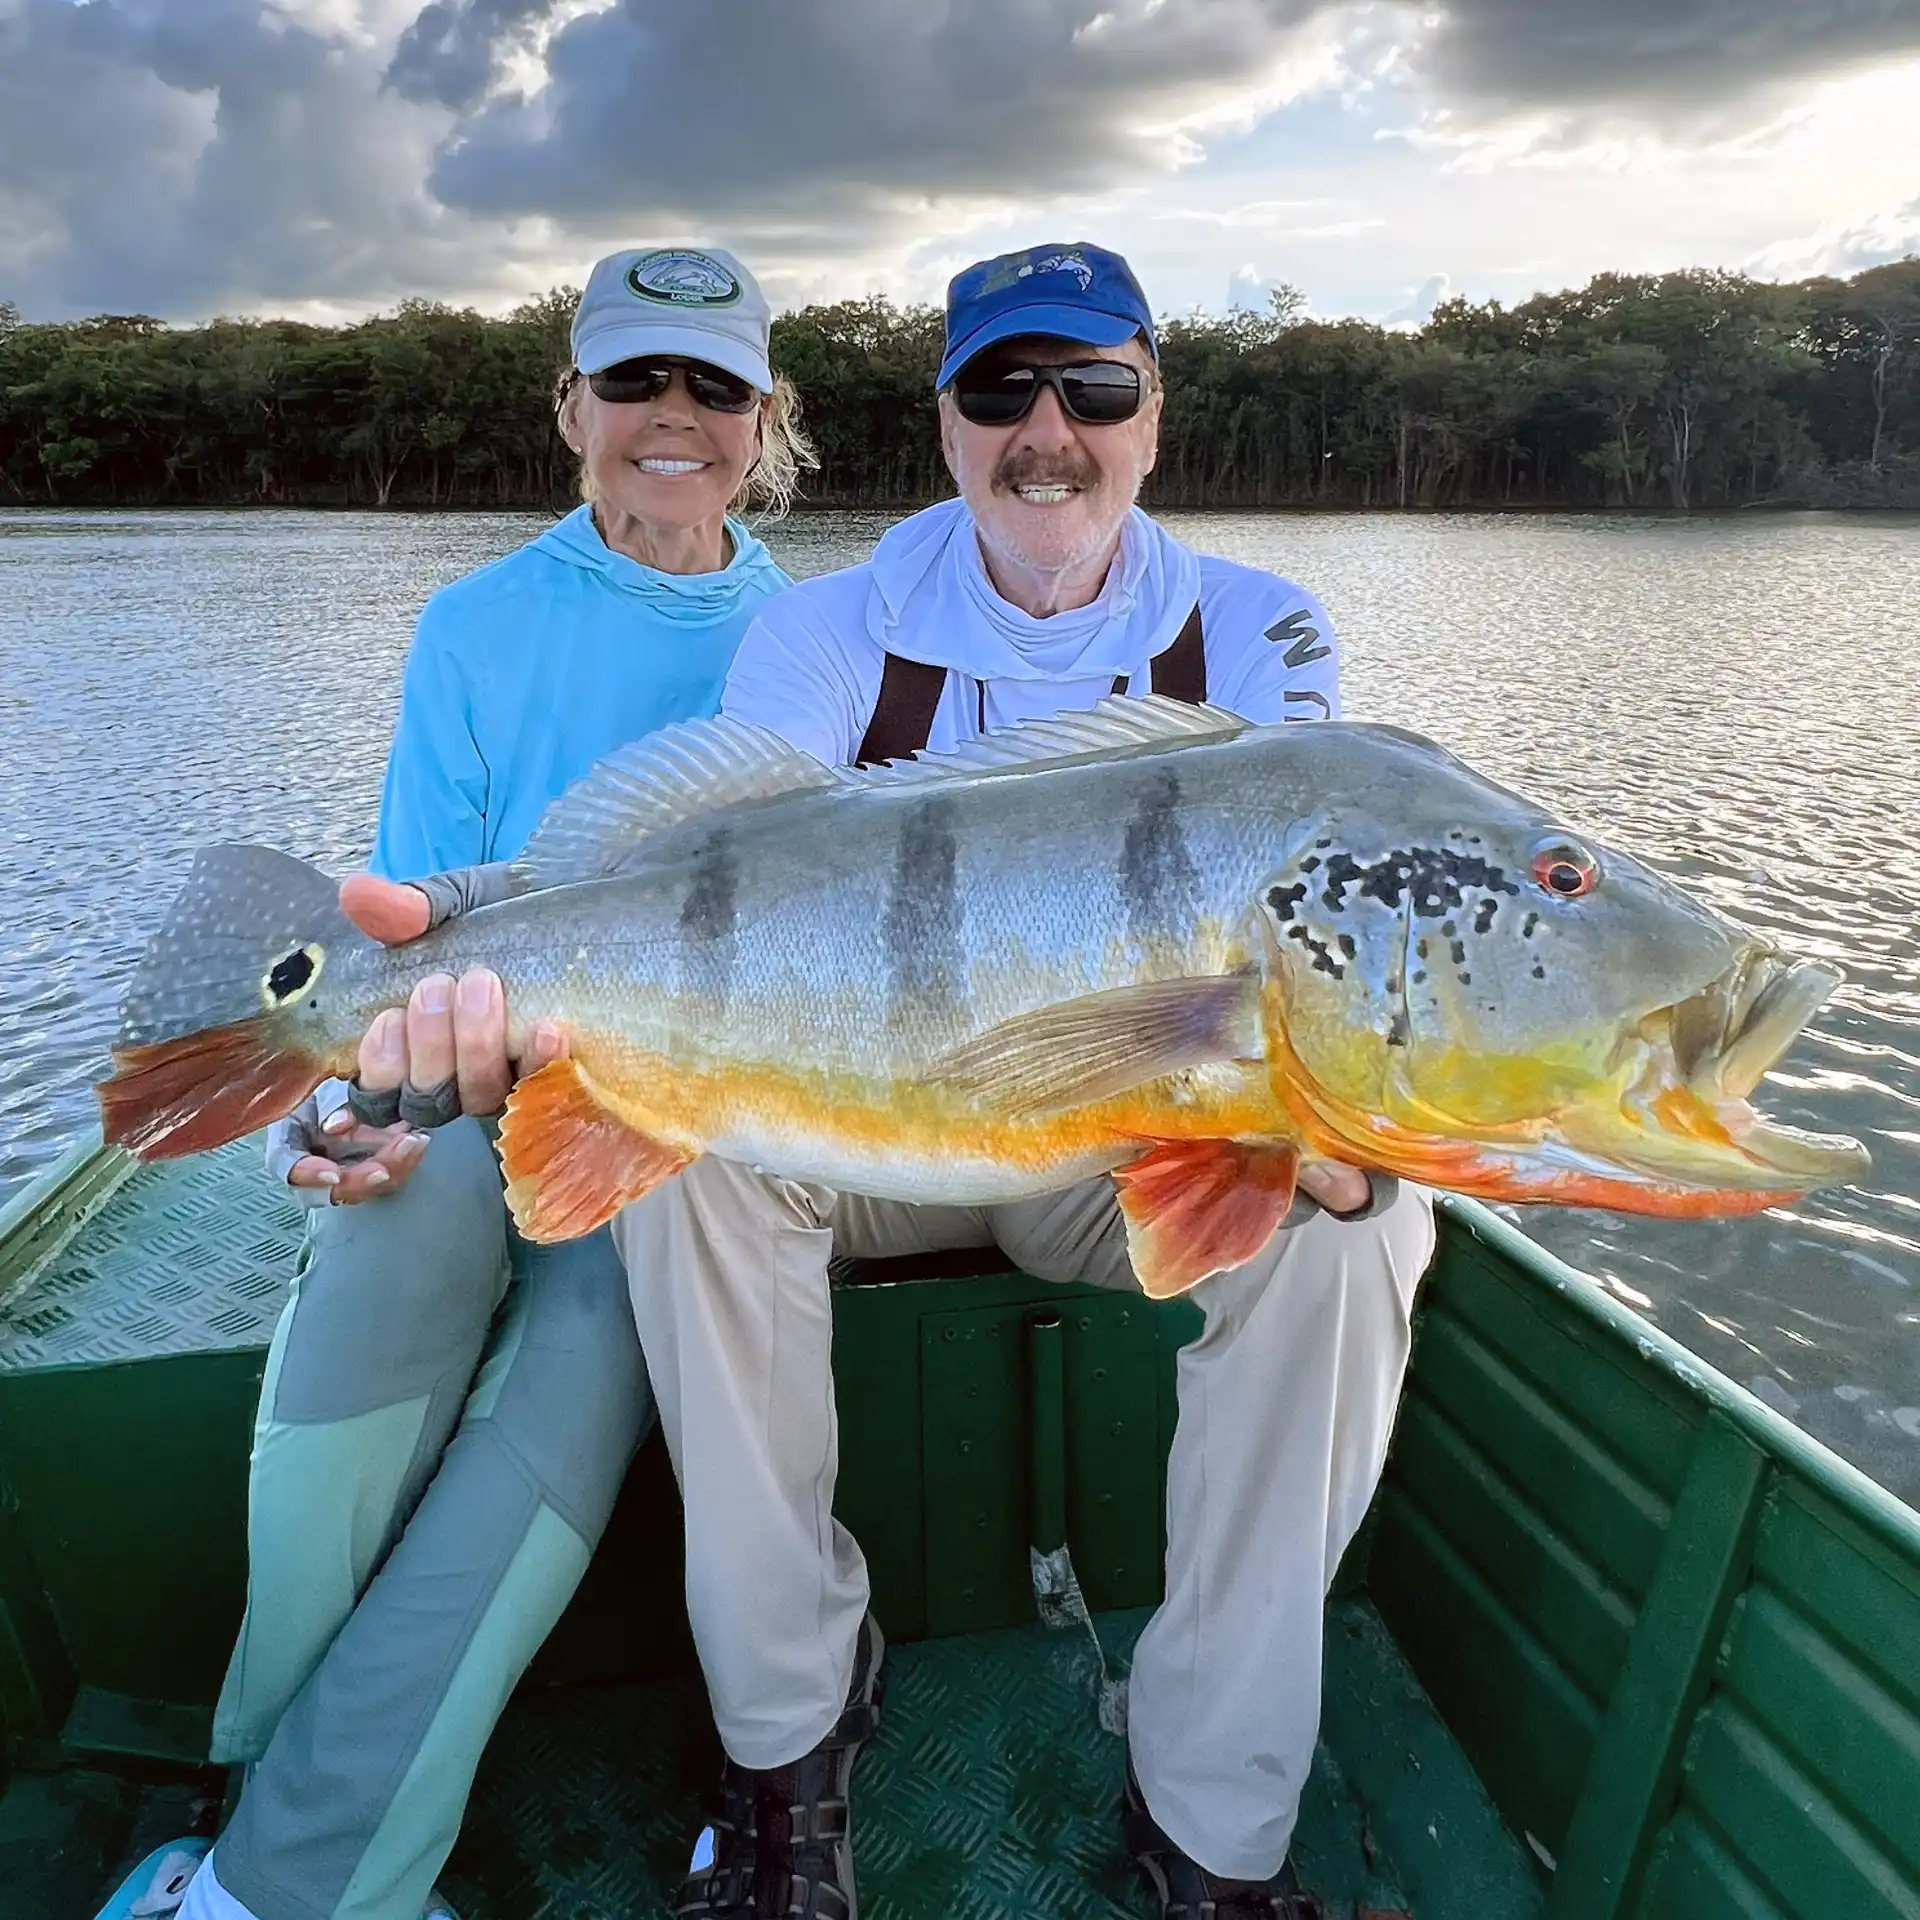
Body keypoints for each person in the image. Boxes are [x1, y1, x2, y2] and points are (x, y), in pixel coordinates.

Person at [350, 242, 1437, 1920]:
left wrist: (1344, 1129)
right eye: (1001, 392)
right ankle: (786, 1737)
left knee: (1360, 1236)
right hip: (867, 1131)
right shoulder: (823, 629)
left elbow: (1294, 934)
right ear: (946, 423)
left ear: (1153, 416)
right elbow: (726, 875)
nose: (1048, 435)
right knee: (690, 1161)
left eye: (1094, 389)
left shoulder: (1264, 630)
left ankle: (1215, 1812)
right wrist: (460, 970)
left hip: (1124, 1141)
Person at [98, 245, 808, 1920]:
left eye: (714, 385)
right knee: (388, 1238)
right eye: (634, 378)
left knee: (584, 1343)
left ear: (764, 419)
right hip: (472, 1077)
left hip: (679, 1120)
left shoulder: (815, 640)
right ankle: (256, 1759)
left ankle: (279, 1881)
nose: (673, 415)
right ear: (571, 405)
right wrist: (356, 1101)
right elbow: (412, 915)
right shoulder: (471, 626)